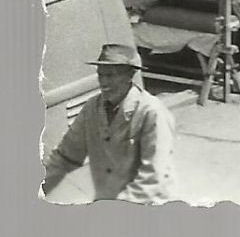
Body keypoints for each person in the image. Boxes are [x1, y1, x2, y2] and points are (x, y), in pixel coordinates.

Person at [42, 44, 176, 203]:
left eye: (111, 76)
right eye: (100, 75)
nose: (103, 82)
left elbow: (152, 178)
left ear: (130, 75)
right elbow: (66, 156)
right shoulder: (92, 108)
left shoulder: (152, 112)